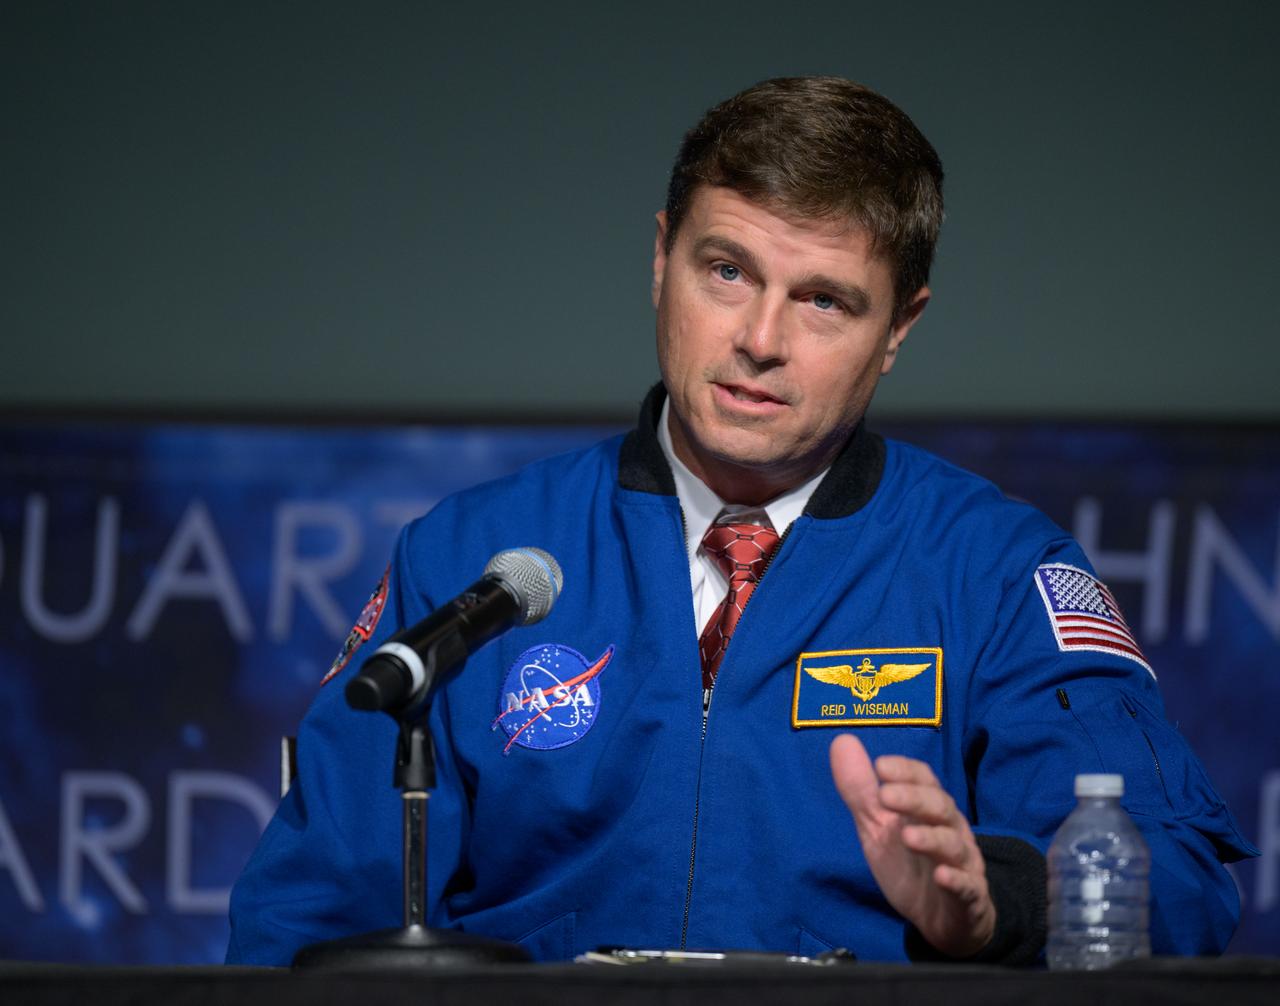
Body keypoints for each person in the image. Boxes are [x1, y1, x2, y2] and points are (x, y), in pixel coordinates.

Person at [226, 76, 1254, 966]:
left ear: (898, 327)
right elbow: (303, 919)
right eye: (726, 271)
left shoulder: (992, 574)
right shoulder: (469, 558)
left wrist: (995, 901)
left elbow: (1181, 882)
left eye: (822, 301)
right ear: (660, 257)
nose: (758, 338)